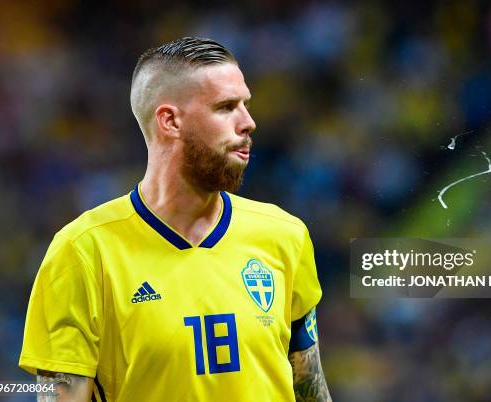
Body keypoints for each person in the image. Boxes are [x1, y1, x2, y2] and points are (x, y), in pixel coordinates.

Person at [19, 36, 331, 402]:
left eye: (245, 104)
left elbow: (311, 389)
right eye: (226, 107)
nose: (248, 122)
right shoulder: (83, 253)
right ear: (169, 120)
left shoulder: (284, 235)